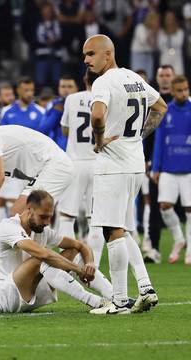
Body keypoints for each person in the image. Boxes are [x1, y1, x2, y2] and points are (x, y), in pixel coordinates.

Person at [83, 34, 165, 315]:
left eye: (91, 54)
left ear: (108, 55)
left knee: (111, 230)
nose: (86, 59)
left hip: (113, 166)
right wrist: (139, 137)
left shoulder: (103, 83)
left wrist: (98, 139)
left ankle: (119, 300)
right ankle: (145, 287)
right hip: (134, 163)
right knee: (123, 229)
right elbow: (160, 107)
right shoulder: (133, 77)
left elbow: (96, 116)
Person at [0, 190, 112, 314]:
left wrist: (90, 263)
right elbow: (44, 255)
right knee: (42, 257)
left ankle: (115, 297)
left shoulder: (42, 230)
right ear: (29, 209)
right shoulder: (9, 227)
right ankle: (97, 302)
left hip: (24, 292)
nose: (47, 222)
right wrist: (78, 270)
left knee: (71, 252)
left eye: (50, 217)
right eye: (43, 217)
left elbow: (80, 246)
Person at [57, 71, 105, 266]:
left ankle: (67, 264)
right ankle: (93, 265)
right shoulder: (106, 100)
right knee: (96, 218)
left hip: (75, 163)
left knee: (67, 216)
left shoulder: (71, 99)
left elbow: (65, 129)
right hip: (98, 163)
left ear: (84, 80)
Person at [151, 75, 191, 265]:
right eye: (180, 90)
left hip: (188, 169)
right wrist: (156, 167)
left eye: (186, 89)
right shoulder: (166, 110)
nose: (184, 93)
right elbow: (159, 142)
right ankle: (179, 239)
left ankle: (190, 249)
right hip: (168, 167)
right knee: (165, 207)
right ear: (173, 92)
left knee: (190, 210)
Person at [0, 76, 46, 224]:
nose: (29, 93)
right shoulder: (6, 112)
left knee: (18, 199)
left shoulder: (41, 111)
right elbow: (0, 135)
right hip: (10, 161)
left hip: (31, 163)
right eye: (26, 90)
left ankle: (15, 228)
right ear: (18, 91)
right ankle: (0, 229)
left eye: (31, 90)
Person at [143, 65, 175, 263]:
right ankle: (153, 249)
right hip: (157, 165)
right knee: (155, 207)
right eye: (161, 75)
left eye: (167, 75)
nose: (164, 79)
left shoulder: (184, 102)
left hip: (181, 164)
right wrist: (147, 160)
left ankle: (183, 242)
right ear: (157, 78)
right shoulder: (151, 102)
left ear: (173, 78)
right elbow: (147, 133)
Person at [39, 74, 79, 150]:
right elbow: (42, 131)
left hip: (77, 150)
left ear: (76, 88)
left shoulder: (83, 104)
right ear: (58, 88)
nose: (66, 90)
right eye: (63, 86)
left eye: (70, 87)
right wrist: (56, 113)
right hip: (58, 151)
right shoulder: (53, 105)